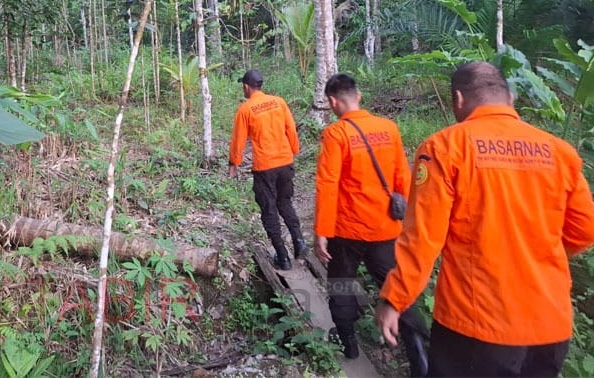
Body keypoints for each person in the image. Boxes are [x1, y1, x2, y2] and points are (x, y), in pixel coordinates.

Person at [376, 62, 594, 377]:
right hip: (550, 327)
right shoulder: (561, 153)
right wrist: (533, 254)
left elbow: (423, 240)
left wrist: (393, 299)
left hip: (476, 328)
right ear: (511, 99)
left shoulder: (445, 148)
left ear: (459, 100)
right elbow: (584, 230)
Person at [314, 73, 428, 376]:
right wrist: (404, 215)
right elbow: (403, 175)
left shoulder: (336, 134)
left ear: (333, 101)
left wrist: (322, 232)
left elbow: (328, 184)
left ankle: (348, 342)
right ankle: (419, 355)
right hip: (385, 229)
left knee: (340, 283)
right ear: (359, 96)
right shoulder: (388, 128)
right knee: (395, 287)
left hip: (347, 231)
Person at [229, 69, 306, 271]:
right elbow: (291, 128)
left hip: (265, 167)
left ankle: (282, 256)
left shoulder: (245, 109)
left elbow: (238, 140)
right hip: (285, 162)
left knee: (269, 209)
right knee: (285, 202)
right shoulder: (279, 102)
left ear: (246, 86)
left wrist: (233, 163)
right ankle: (299, 241)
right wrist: (294, 150)